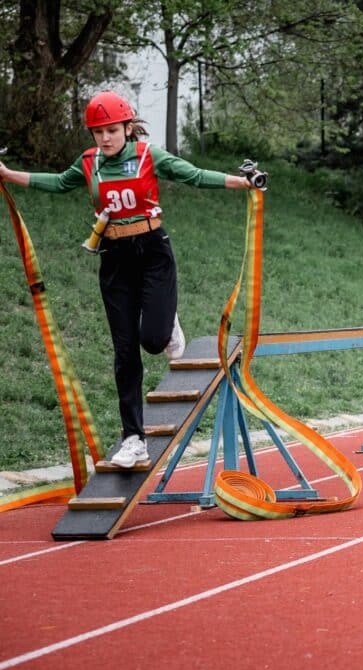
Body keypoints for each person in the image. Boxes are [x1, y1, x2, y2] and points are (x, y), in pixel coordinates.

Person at [0, 91, 255, 468]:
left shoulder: (150, 156)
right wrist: (7, 175)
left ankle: (167, 327)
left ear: (127, 127)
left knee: (152, 341)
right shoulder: (89, 163)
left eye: (112, 130)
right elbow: (56, 183)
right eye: (98, 132)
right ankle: (133, 438)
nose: (105, 139)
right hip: (114, 258)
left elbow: (196, 176)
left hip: (153, 252)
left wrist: (245, 183)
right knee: (124, 351)